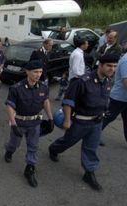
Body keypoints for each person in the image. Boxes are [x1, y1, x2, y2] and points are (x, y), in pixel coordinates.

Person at [48, 54, 119, 191]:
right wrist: (67, 120)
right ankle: (54, 149)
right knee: (67, 142)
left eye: (115, 66)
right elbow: (68, 102)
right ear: (100, 65)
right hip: (80, 121)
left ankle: (89, 172)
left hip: (97, 123)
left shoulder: (108, 81)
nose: (112, 69)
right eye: (109, 66)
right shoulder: (82, 82)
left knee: (91, 148)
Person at [4, 60, 53, 188]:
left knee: (33, 146)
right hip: (19, 122)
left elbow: (46, 101)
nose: (38, 74)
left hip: (35, 123)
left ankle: (29, 169)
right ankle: (9, 151)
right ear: (27, 72)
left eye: (40, 72)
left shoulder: (43, 87)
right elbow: (9, 106)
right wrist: (13, 125)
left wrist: (51, 119)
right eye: (35, 72)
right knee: (14, 144)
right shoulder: (16, 88)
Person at [101, 52, 127, 145]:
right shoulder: (126, 60)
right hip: (119, 97)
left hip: (124, 98)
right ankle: (93, 135)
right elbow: (126, 82)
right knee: (108, 117)